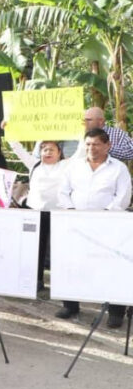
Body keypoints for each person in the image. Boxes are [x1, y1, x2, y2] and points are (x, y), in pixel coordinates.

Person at [57, 128, 132, 326]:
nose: (92, 148)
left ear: (108, 146)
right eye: (88, 144)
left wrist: (104, 216)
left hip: (109, 226)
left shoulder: (118, 168)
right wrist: (72, 211)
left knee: (112, 267)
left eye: (96, 144)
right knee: (73, 265)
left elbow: (123, 197)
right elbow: (63, 192)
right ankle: (70, 305)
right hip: (76, 225)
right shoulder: (74, 167)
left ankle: (115, 312)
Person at [10, 139, 66, 294]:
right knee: (37, 248)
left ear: (59, 153)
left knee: (58, 249)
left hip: (58, 213)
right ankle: (37, 280)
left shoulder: (65, 166)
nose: (47, 152)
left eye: (51, 150)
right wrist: (10, 131)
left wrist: (83, 131)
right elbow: (17, 148)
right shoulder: (34, 165)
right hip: (35, 212)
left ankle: (61, 282)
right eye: (44, 149)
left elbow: (82, 152)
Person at [62, 107, 133, 160]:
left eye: (89, 120)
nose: (84, 123)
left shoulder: (117, 134)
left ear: (101, 121)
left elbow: (131, 152)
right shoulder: (77, 134)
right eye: (84, 120)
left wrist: (106, 148)